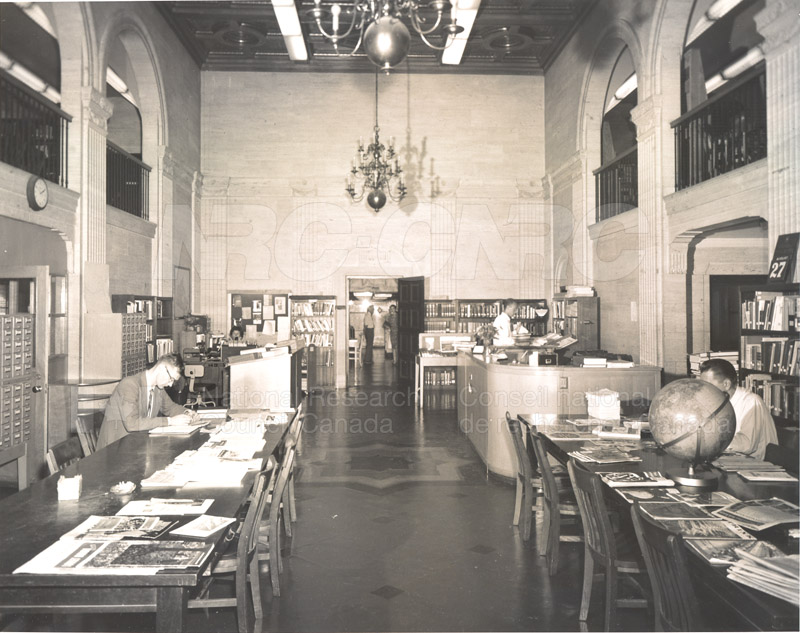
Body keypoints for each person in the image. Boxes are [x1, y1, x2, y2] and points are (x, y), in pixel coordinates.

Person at [97, 353, 197, 449]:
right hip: (115, 449)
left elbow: (170, 407)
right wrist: (170, 421)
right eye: (171, 379)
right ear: (161, 368)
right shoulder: (129, 385)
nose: (171, 384)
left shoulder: (158, 389)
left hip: (137, 444)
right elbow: (132, 424)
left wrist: (187, 413)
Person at [698, 358, 778, 460]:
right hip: (730, 460)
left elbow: (747, 444)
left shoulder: (751, 402)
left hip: (756, 466)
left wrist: (711, 441)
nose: (704, 390)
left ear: (726, 384)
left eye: (708, 385)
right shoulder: (717, 401)